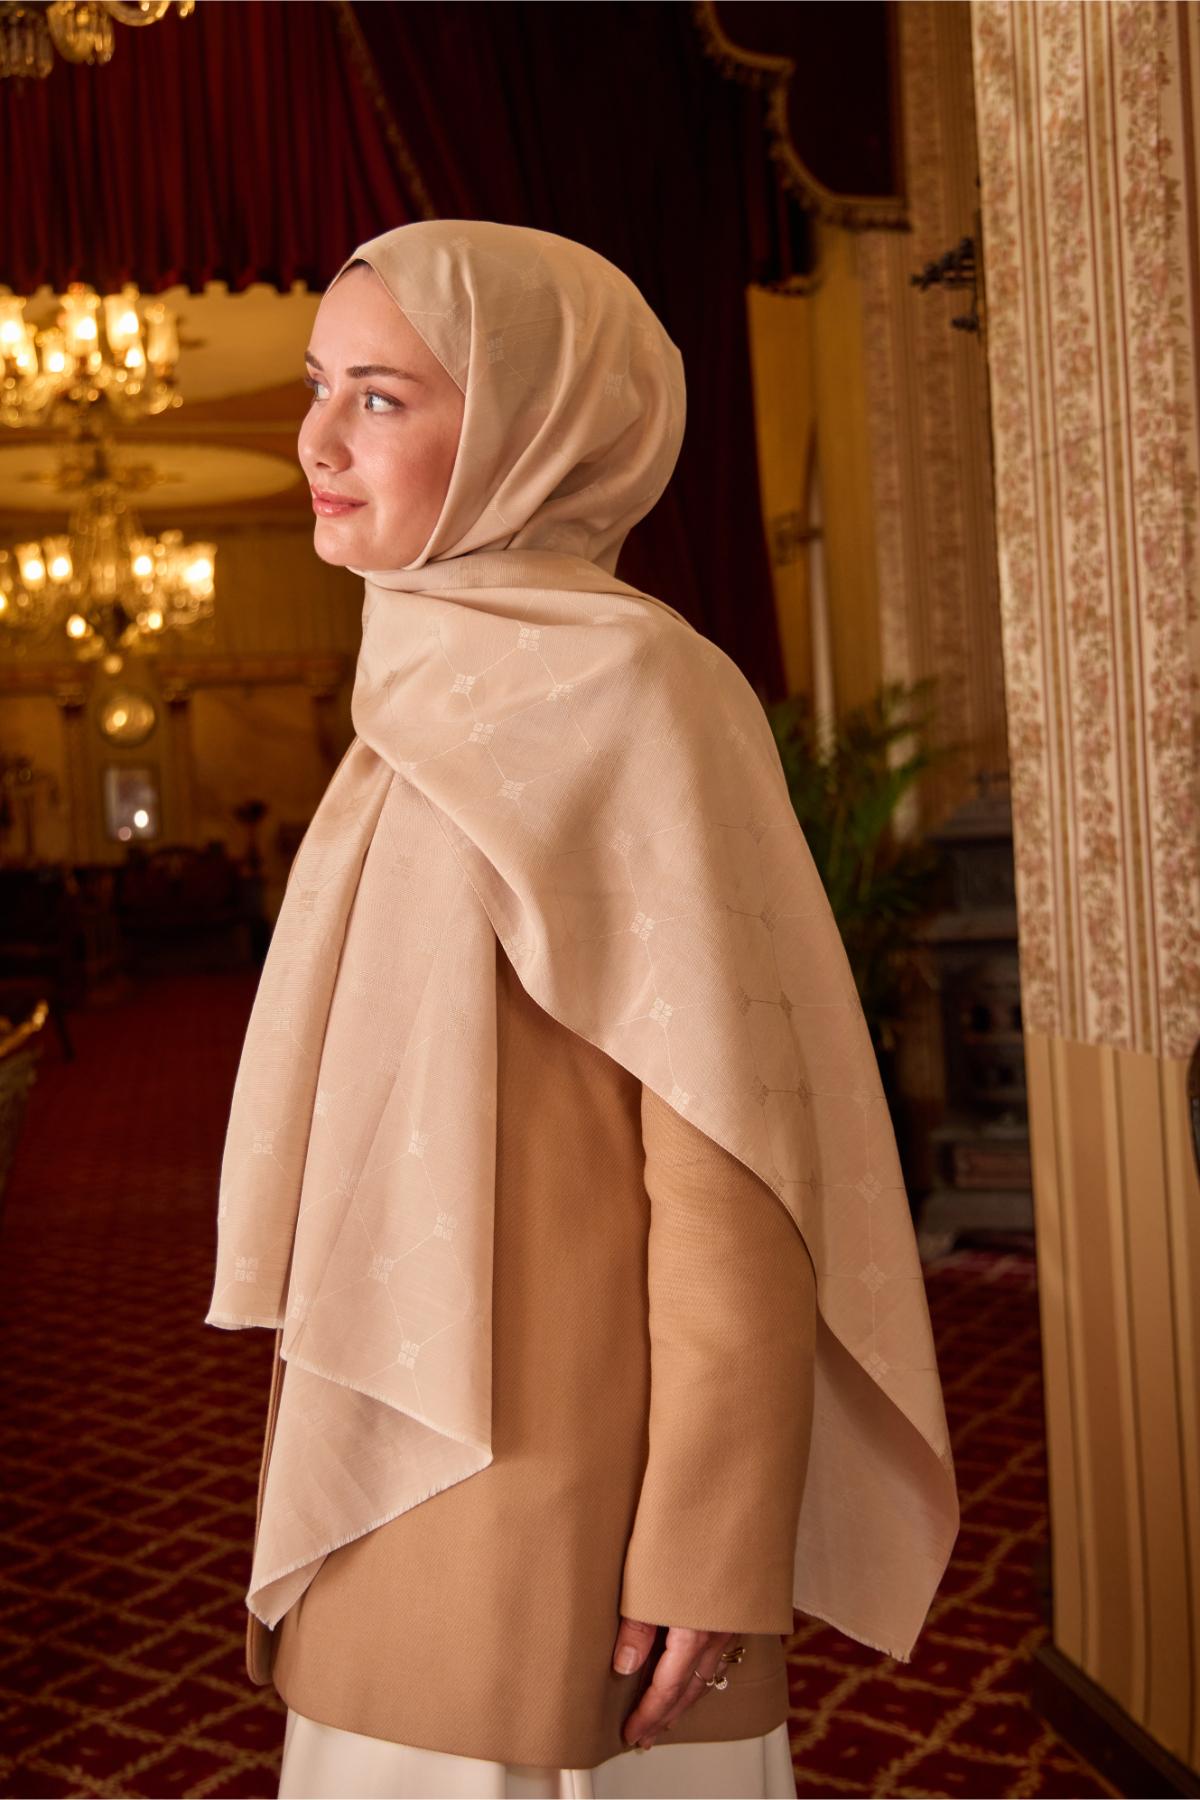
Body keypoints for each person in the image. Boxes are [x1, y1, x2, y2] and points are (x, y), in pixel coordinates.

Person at [204, 220, 959, 1800]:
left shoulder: (640, 691)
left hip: (581, 1459)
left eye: (382, 398)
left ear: (533, 426)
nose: (319, 442)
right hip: (400, 1393)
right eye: (319, 387)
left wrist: (710, 1530)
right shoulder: (413, 686)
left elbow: (732, 1153)